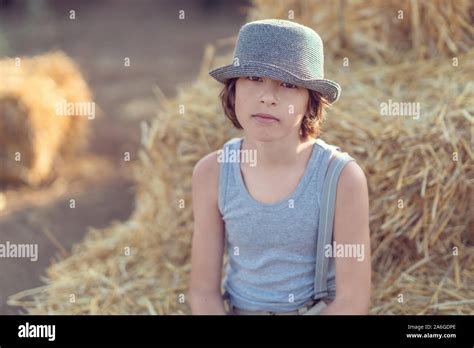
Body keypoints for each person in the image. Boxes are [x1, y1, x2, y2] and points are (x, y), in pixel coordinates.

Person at [189, 19, 370, 315]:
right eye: (253, 78)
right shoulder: (213, 172)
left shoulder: (341, 178)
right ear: (233, 90)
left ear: (310, 102)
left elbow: (352, 301)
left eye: (288, 84)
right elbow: (203, 293)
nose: (267, 97)